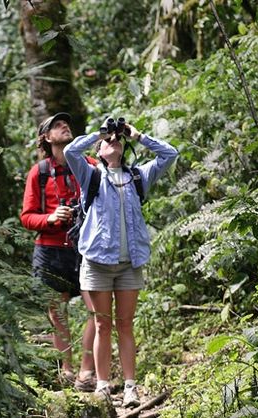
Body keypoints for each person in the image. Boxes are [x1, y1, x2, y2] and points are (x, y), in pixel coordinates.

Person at [63, 119, 178, 407]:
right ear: (100, 150)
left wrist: (137, 136)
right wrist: (98, 134)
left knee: (125, 325)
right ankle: (102, 386)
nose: (112, 141)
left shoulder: (138, 176)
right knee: (102, 326)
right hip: (98, 263)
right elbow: (70, 152)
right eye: (107, 141)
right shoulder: (91, 176)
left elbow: (170, 154)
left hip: (130, 263)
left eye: (116, 139)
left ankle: (130, 387)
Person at [20, 112, 97, 392]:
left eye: (66, 123)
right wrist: (50, 218)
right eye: (56, 125)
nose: (65, 126)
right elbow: (27, 217)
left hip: (85, 248)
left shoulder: (89, 165)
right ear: (46, 138)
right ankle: (66, 369)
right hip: (51, 250)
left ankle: (87, 372)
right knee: (58, 313)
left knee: (96, 311)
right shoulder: (39, 172)